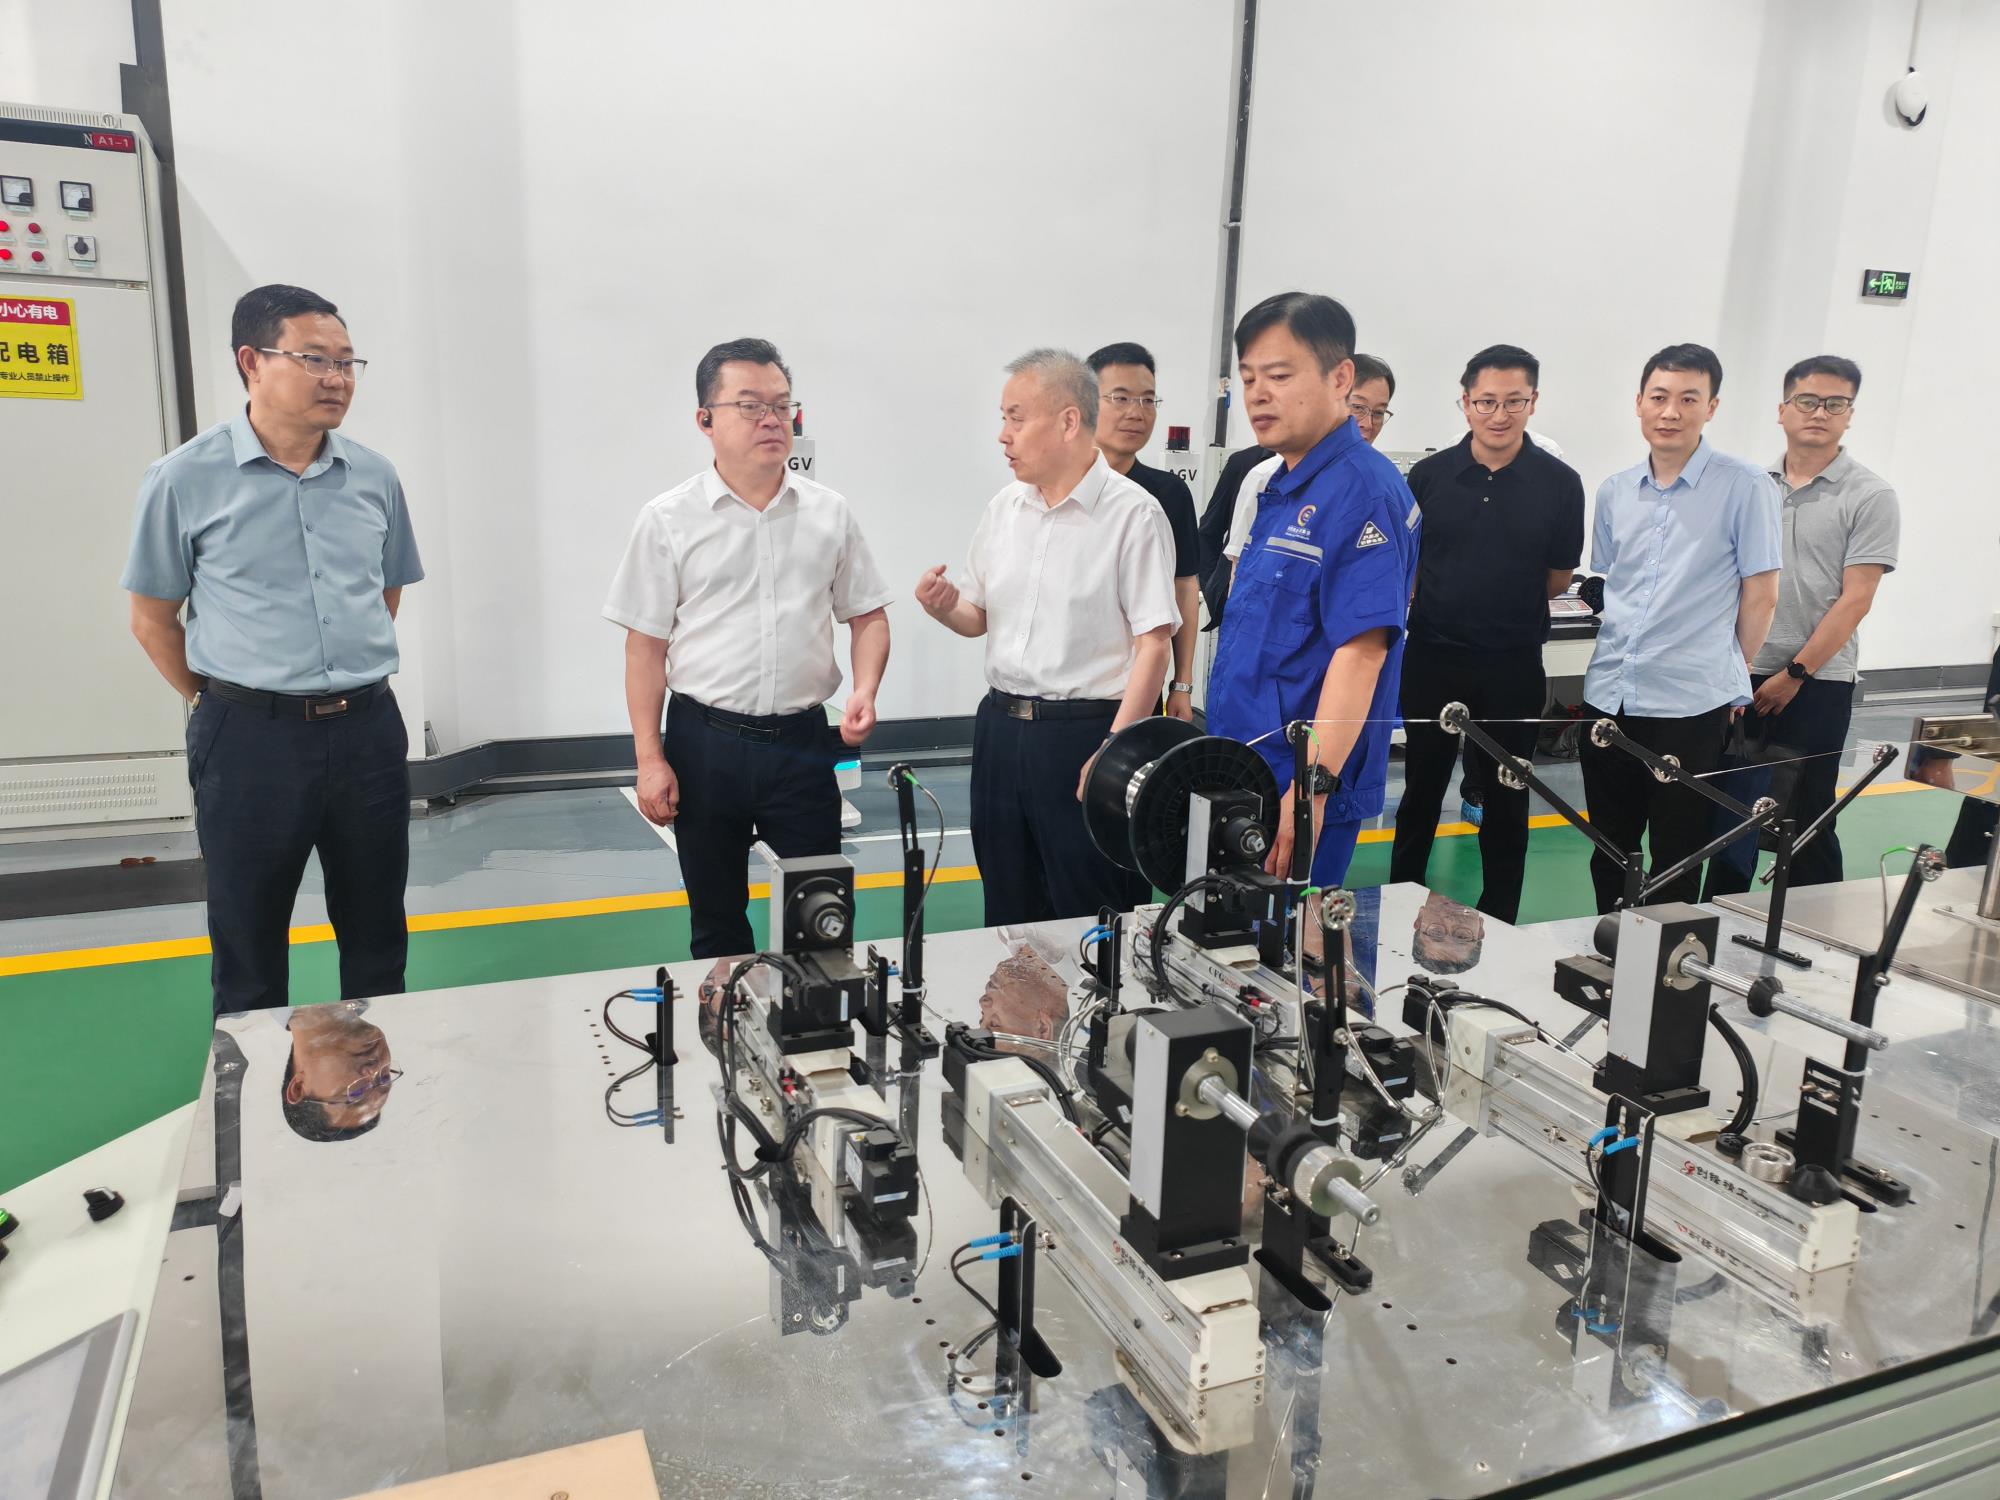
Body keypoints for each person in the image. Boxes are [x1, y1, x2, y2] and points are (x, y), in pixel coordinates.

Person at [121, 284, 423, 1015]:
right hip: (248, 739)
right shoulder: (183, 478)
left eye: (347, 362)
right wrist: (223, 700)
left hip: (367, 731)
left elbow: (384, 593)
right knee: (250, 947)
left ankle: (380, 1076)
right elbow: (153, 619)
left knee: (378, 936)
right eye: (315, 359)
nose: (336, 378)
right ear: (251, 361)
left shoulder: (374, 476)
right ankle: (248, 1083)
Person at [605, 337, 891, 959]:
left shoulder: (830, 514)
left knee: (820, 920)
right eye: (751, 405)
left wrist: (865, 689)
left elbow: (868, 615)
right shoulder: (668, 519)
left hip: (803, 745)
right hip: (706, 746)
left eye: (782, 405)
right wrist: (650, 759)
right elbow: (644, 651)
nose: (772, 419)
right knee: (716, 924)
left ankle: (815, 1020)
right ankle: (725, 1017)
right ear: (705, 420)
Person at [915, 348, 1177, 925]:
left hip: (1085, 735)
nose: (1002, 435)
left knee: (1091, 906)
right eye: (1003, 418)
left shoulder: (1133, 515)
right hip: (1001, 731)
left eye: (1016, 417)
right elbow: (977, 617)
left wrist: (1114, 748)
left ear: (1067, 422)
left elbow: (1154, 645)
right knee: (1007, 899)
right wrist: (945, 607)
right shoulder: (1005, 508)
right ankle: (1014, 989)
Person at [1206, 296, 1420, 887]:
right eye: (1249, 378)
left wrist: (1310, 791)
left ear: (1340, 378)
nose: (1258, 395)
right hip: (1247, 763)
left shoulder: (1362, 493)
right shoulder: (1285, 483)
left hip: (1295, 785)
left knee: (1293, 937)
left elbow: (1362, 652)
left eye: (1278, 376)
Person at [1579, 344, 1781, 912]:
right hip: (1609, 695)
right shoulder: (1616, 490)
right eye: (1659, 397)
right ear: (1639, 403)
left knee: (1678, 850)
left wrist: (1727, 672)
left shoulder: (1745, 486)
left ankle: (1666, 958)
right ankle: (1611, 942)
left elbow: (1762, 595)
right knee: (1609, 846)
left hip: (1690, 703)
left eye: (1688, 399)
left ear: (1711, 407)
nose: (1671, 412)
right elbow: (1611, 580)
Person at [1390, 344, 1584, 923]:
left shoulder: (1560, 483)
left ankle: (1500, 915)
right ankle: (1400, 900)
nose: (1499, 415)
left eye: (1514, 402)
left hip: (1512, 664)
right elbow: (1411, 564)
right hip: (1432, 658)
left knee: (1508, 793)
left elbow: (1558, 577)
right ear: (1465, 402)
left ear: (1533, 402)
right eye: (1486, 402)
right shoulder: (1428, 476)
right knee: (1421, 790)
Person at [1704, 356, 1899, 896]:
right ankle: (1718, 912)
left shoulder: (1870, 495)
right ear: (1782, 410)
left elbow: (1856, 599)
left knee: (1807, 818)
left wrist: (1795, 673)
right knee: (1729, 811)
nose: (1819, 412)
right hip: (1737, 672)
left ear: (1850, 414)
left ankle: (1811, 923)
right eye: (1807, 401)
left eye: (1835, 403)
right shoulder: (1749, 485)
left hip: (1818, 682)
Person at [1088, 342, 1200, 719]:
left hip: (1138, 689)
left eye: (1148, 400)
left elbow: (1184, 587)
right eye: (1121, 398)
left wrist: (1181, 684)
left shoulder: (1168, 494)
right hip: (1063, 694)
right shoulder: (1054, 489)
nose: (1137, 412)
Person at [1219, 352, 1397, 588]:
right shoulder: (1266, 478)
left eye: (1379, 412)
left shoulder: (1384, 484)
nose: (1368, 424)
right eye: (1358, 407)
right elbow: (1241, 573)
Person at [282, 1000, 398, 1142]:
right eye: (384, 1078)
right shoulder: (384, 990)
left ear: (299, 1087)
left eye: (357, 1091)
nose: (375, 1069)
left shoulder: (259, 995)